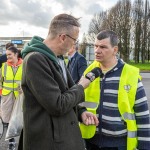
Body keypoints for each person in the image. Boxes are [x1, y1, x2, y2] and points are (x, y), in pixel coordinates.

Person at [20, 13, 99, 150]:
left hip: (62, 137)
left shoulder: (58, 59)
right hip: (49, 141)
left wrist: (81, 112)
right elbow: (57, 104)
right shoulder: (35, 60)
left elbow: (66, 92)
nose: (75, 44)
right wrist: (82, 85)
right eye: (75, 40)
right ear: (63, 37)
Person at [79, 30, 150, 150]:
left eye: (103, 47)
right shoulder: (89, 72)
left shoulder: (130, 74)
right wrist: (81, 113)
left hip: (118, 145)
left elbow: (142, 114)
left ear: (115, 50)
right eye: (95, 46)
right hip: (90, 142)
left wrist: (144, 146)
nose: (97, 50)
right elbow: (77, 102)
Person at [0, 46, 23, 150]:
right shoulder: (4, 66)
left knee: (19, 119)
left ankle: (21, 140)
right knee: (7, 119)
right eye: (6, 54)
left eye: (9, 54)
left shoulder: (24, 65)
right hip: (7, 96)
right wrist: (2, 93)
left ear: (16, 54)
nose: (7, 56)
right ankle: (11, 141)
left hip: (19, 97)